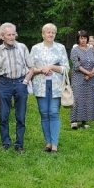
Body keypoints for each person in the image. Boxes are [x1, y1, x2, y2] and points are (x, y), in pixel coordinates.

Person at [0, 22, 32, 152]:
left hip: (20, 83)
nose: (12, 37)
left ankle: (19, 145)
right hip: (4, 84)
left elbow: (31, 68)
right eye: (9, 35)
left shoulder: (22, 47)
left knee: (20, 116)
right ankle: (5, 143)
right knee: (3, 115)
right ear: (2, 36)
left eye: (14, 34)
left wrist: (25, 81)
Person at [30, 23, 70, 153]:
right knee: (44, 113)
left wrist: (53, 67)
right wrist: (41, 70)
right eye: (48, 32)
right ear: (43, 34)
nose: (51, 34)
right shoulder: (35, 48)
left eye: (53, 32)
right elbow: (30, 69)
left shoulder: (60, 48)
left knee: (53, 112)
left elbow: (66, 68)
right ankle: (47, 142)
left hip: (56, 85)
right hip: (40, 85)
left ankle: (55, 144)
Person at [69, 30, 94, 129]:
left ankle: (84, 121)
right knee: (77, 99)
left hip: (91, 79)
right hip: (78, 78)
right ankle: (74, 121)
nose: (83, 40)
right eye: (81, 38)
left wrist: (92, 73)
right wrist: (87, 73)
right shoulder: (75, 50)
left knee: (88, 99)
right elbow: (77, 65)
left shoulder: (91, 49)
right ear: (78, 39)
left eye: (85, 38)